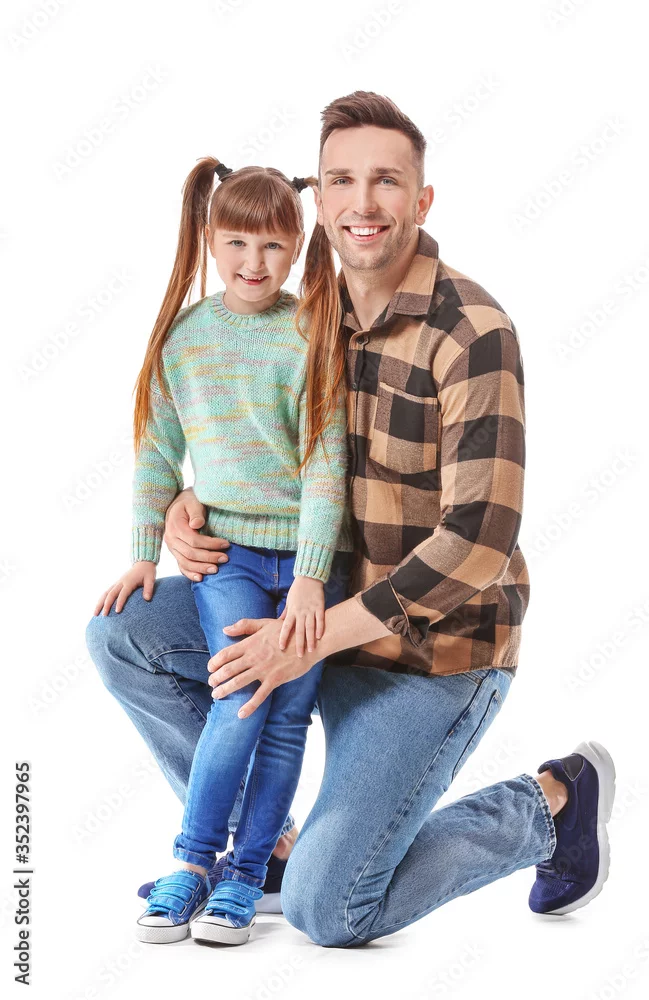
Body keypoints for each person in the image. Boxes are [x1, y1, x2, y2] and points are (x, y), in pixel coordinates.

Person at [86, 91, 616, 949]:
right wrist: (186, 501)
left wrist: (305, 638)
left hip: (426, 654)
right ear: (318, 201)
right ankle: (258, 850)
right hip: (304, 608)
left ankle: (551, 807)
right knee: (124, 634)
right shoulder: (299, 313)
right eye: (341, 180)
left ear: (421, 199)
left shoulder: (470, 331)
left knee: (329, 911)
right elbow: (239, 436)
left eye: (385, 181)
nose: (362, 202)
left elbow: (478, 542)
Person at [91, 157, 354, 945]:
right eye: (237, 243)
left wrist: (311, 580)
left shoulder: (310, 333)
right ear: (210, 240)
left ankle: (247, 877)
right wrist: (145, 550)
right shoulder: (186, 338)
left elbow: (326, 463)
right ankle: (194, 861)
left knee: (286, 717)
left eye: (273, 245)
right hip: (229, 557)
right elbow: (156, 449)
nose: (254, 262)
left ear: (298, 245)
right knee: (239, 700)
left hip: (306, 565)